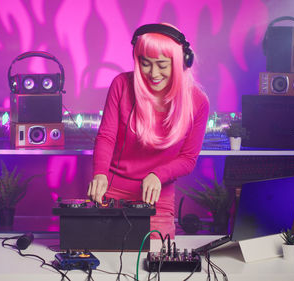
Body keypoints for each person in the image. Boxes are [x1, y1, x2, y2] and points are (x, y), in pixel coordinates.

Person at [87, 23, 210, 239]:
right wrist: (100, 174)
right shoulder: (121, 85)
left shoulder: (198, 102)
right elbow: (107, 136)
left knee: (154, 259)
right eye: (146, 64)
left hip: (157, 194)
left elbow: (188, 158)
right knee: (101, 254)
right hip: (112, 189)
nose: (153, 73)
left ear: (181, 62)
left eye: (162, 65)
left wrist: (157, 175)